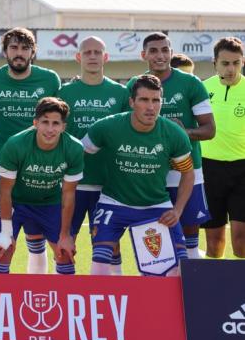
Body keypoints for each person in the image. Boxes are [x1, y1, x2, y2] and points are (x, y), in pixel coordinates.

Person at [83, 75, 194, 276]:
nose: (151, 107)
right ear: (132, 102)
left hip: (156, 206)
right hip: (114, 203)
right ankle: (111, 305)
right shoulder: (107, 127)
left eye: (156, 100)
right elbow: (78, 153)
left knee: (177, 270)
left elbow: (187, 173)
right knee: (100, 265)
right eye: (144, 100)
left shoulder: (174, 134)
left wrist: (177, 211)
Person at [126, 32, 215, 259]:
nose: (160, 55)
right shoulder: (134, 85)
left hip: (186, 170)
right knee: (153, 235)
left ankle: (194, 280)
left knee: (190, 234)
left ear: (171, 53)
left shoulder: (191, 83)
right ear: (143, 54)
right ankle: (157, 286)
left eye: (165, 50)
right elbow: (126, 126)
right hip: (148, 171)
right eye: (154, 50)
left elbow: (209, 130)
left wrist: (182, 133)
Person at [0, 28, 61, 273]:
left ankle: (37, 297)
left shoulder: (49, 80)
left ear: (32, 52)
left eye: (25, 48)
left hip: (41, 172)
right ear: (5, 51)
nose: (19, 53)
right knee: (2, 245)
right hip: (1, 171)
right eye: (14, 48)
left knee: (42, 241)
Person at [58, 36, 130, 274]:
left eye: (97, 52)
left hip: (107, 184)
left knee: (111, 245)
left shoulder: (119, 93)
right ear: (78, 57)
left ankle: (114, 297)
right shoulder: (64, 92)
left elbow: (126, 133)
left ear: (105, 57)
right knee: (65, 243)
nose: (92, 56)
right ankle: (66, 297)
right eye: (87, 52)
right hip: (72, 182)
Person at [0, 97, 83, 274]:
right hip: (15, 202)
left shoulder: (74, 148)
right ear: (35, 123)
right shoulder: (15, 144)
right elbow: (5, 190)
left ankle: (61, 299)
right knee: (4, 249)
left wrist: (65, 235)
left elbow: (69, 194)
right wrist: (6, 231)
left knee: (65, 253)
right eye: (45, 122)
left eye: (55, 123)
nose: (50, 129)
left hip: (49, 202)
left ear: (63, 126)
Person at [200, 37, 245, 258]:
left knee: (241, 236)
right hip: (209, 169)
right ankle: (214, 290)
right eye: (225, 63)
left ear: (242, 62)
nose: (231, 69)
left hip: (242, 169)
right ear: (214, 63)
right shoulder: (201, 89)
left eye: (236, 63)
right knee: (214, 239)